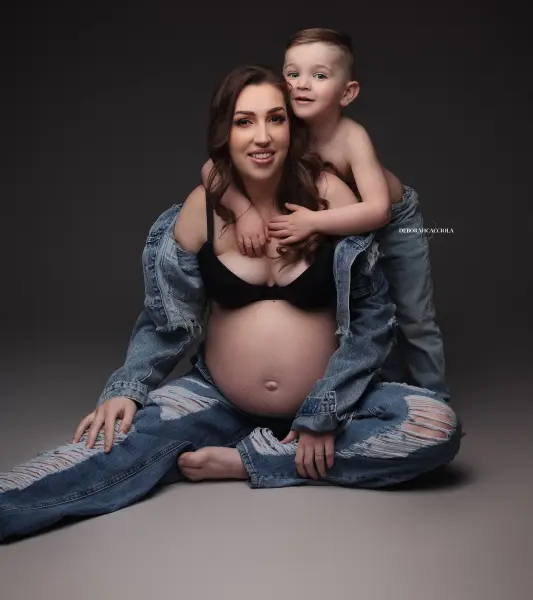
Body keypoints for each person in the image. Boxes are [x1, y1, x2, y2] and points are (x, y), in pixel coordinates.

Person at [0, 65, 461, 543]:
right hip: (217, 397)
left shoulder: (329, 198)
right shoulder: (200, 208)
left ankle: (250, 460)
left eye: (275, 119)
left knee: (434, 427)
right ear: (225, 130)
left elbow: (371, 321)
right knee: (114, 445)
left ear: (292, 126)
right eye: (244, 121)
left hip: (337, 401)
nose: (261, 137)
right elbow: (166, 322)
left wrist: (323, 412)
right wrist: (129, 386)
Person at [201, 29, 451, 401]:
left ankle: (435, 399)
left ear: (347, 93)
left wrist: (312, 222)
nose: (302, 85)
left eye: (319, 76)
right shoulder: (281, 126)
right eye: (292, 73)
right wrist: (245, 208)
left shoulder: (351, 137)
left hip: (393, 221)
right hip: (342, 220)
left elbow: (377, 210)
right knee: (367, 313)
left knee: (413, 317)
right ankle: (388, 391)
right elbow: (212, 169)